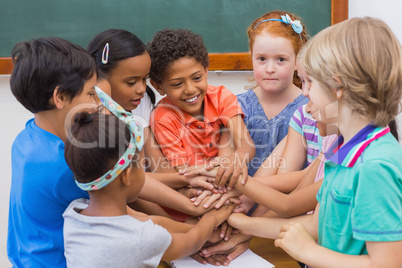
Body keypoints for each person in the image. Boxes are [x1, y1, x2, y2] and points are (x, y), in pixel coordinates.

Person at [228, 17, 402, 267]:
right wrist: (239, 224)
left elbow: (386, 264)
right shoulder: (340, 149)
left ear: (337, 87)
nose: (305, 92)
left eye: (311, 83)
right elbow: (317, 224)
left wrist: (308, 252)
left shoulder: (376, 167)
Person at [63, 89, 234, 267]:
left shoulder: (75, 213)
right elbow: (192, 242)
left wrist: (201, 229)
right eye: (141, 166)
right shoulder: (140, 238)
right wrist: (212, 219)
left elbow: (148, 221)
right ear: (127, 176)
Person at [87, 29, 238, 221]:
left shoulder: (141, 105)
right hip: (135, 208)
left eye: (144, 79)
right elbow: (133, 186)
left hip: (165, 197)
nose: (142, 89)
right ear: (101, 80)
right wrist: (182, 224)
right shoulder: (97, 125)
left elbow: (156, 168)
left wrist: (190, 193)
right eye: (131, 82)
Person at [7, 37, 98, 267]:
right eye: (91, 94)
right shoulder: (64, 166)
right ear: (60, 97)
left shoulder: (27, 137)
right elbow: (123, 200)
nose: (98, 103)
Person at [148, 28, 255, 191]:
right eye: (177, 84)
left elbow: (246, 146)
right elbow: (184, 173)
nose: (190, 89)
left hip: (223, 183)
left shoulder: (221, 97)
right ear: (158, 87)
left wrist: (236, 159)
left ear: (206, 70)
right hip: (193, 191)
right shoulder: (162, 117)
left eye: (197, 78)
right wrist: (221, 167)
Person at [236, 10, 309, 177]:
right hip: (239, 198)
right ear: (251, 57)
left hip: (292, 200)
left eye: (280, 59)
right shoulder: (236, 107)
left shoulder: (310, 108)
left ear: (298, 60)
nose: (270, 69)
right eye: (261, 59)